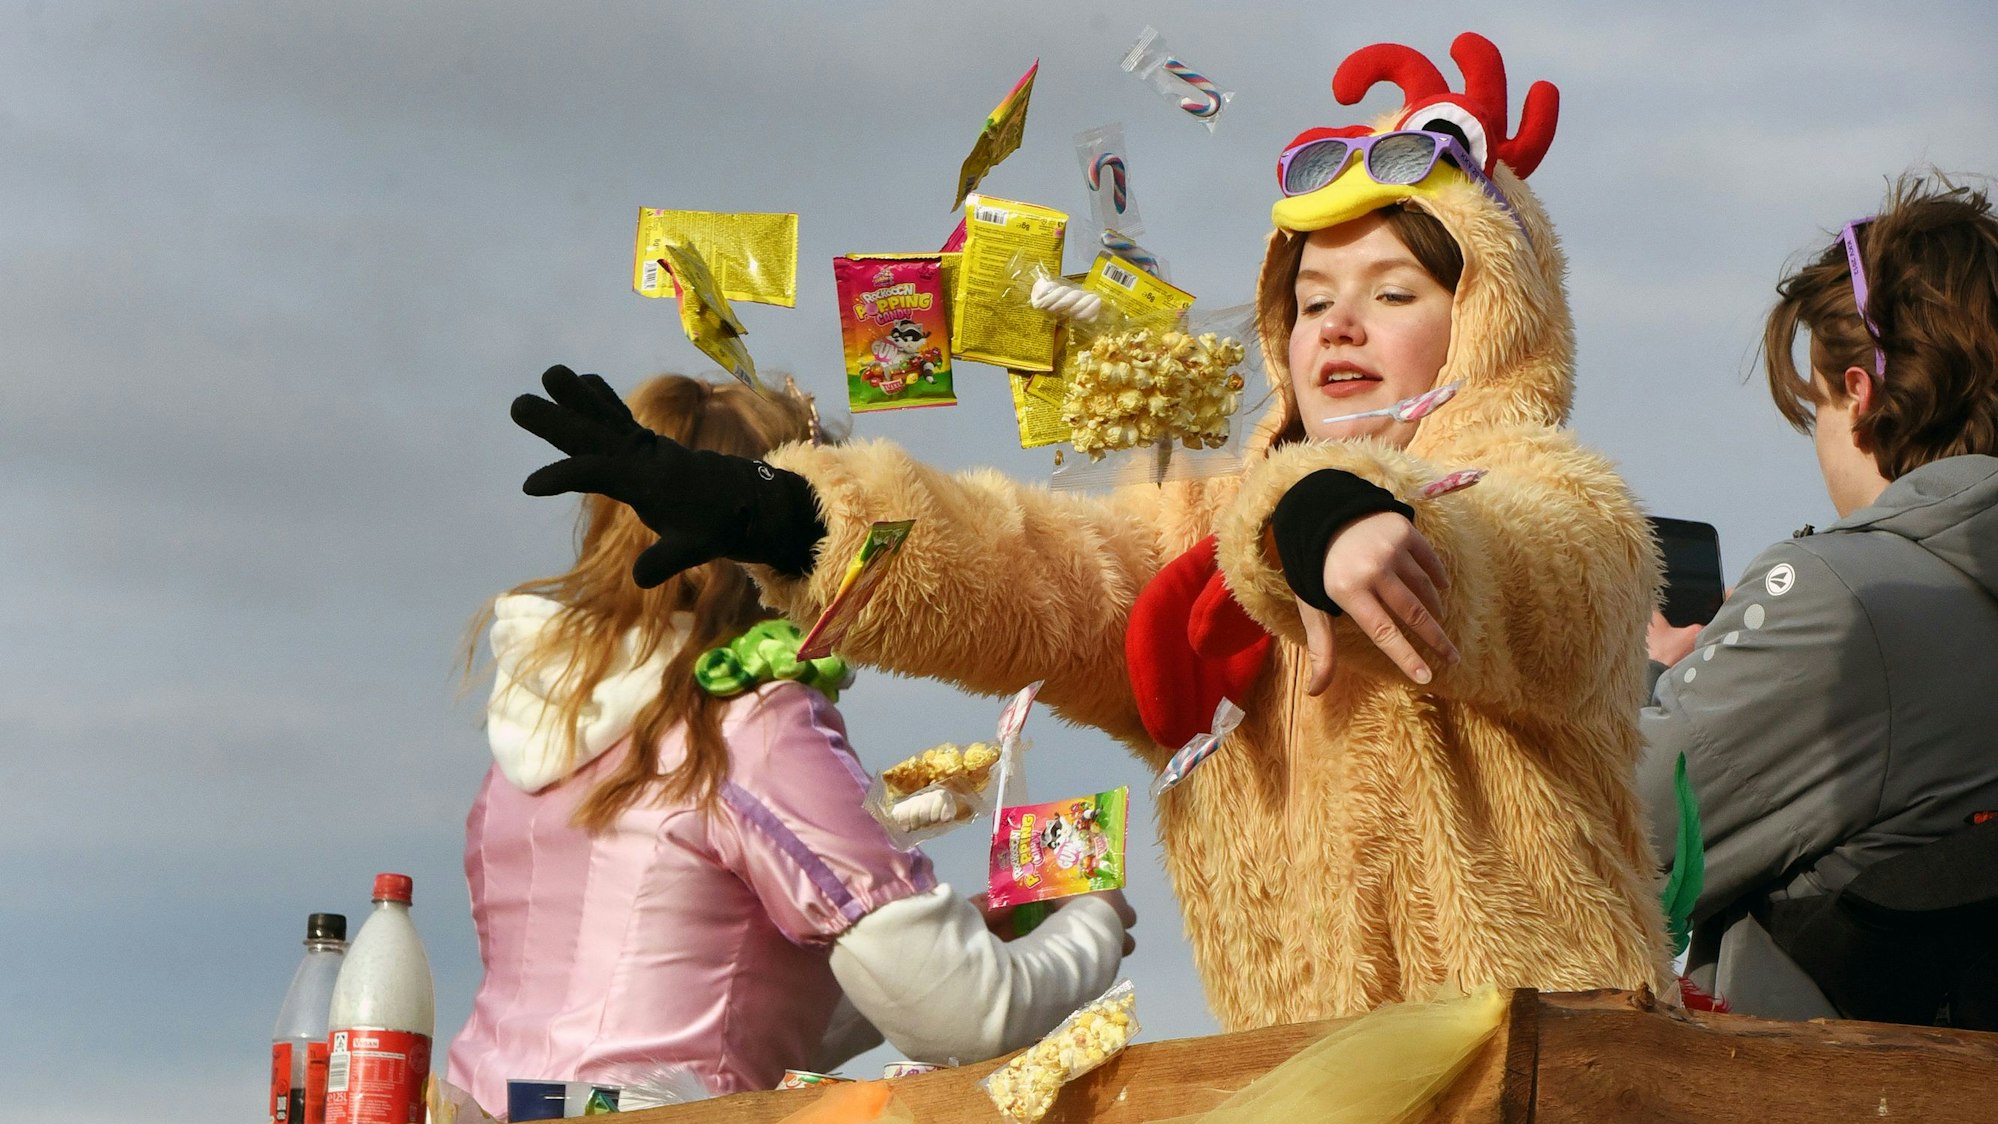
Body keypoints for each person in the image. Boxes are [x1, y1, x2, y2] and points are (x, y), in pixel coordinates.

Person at [510, 32, 1669, 1031]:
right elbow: (1037, 570)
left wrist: (1346, 517)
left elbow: (1537, 570)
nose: (1341, 324)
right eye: (1313, 297)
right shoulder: (1199, 520)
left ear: (1487, 319)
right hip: (1311, 1069)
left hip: (1556, 1057)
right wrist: (791, 513)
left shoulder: (1558, 495)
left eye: (1395, 293)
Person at [446, 374, 1133, 1111]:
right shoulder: (754, 724)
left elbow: (721, 1006)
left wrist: (946, 942)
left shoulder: (548, 711)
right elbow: (965, 1015)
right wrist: (1090, 919)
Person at [1639, 176, 1998, 1022]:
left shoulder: (1837, 603)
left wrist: (1644, 684)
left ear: (1860, 396)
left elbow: (1611, 837)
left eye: (1817, 408)